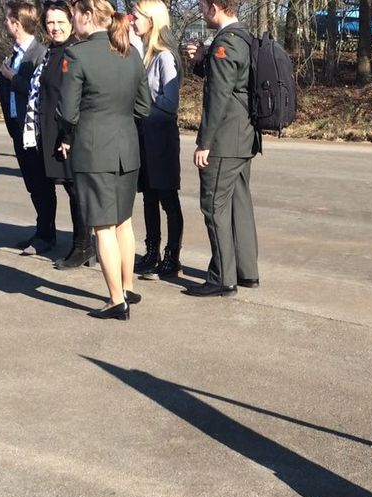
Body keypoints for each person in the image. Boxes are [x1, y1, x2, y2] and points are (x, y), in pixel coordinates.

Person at [57, 0, 150, 320]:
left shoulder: (78, 54)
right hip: (127, 148)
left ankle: (115, 300)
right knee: (124, 221)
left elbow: (67, 112)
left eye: (73, 16)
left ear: (85, 16)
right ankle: (127, 286)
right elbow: (144, 108)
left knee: (103, 227)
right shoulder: (131, 52)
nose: (72, 22)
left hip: (94, 151)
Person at [182, 0, 261, 297]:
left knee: (214, 205)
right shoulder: (244, 37)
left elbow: (218, 98)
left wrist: (205, 143)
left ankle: (222, 278)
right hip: (244, 137)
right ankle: (246, 271)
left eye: (202, 7)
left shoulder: (225, 43)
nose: (202, 13)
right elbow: (234, 83)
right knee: (239, 204)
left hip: (226, 139)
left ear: (215, 6)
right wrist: (204, 60)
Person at [26, 0, 93, 269]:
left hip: (68, 132)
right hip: (51, 129)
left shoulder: (74, 52)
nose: (54, 28)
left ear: (71, 23)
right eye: (50, 23)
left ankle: (83, 247)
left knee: (77, 191)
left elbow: (77, 98)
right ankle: (82, 244)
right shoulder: (51, 52)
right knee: (70, 189)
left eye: (60, 22)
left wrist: (68, 134)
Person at [0, 0, 58, 255]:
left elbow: (38, 92)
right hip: (17, 128)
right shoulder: (14, 53)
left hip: (34, 131)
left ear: (17, 24)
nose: (5, 23)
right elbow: (15, 89)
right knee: (32, 183)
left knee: (41, 183)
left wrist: (12, 78)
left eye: (7, 19)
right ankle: (42, 230)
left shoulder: (40, 54)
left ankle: (46, 235)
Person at [131, 0, 183, 280]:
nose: (132, 21)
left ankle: (172, 257)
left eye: (136, 16)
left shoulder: (164, 56)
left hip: (161, 139)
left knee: (167, 198)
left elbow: (170, 102)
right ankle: (151, 252)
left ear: (152, 20)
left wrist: (140, 105)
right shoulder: (144, 54)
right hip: (144, 137)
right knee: (148, 198)